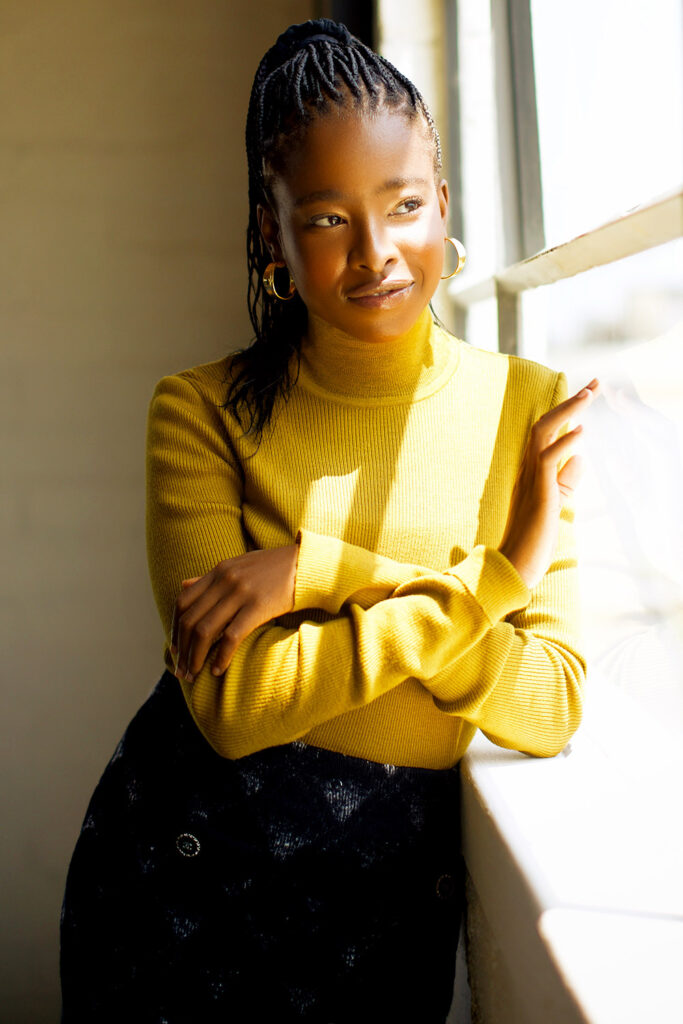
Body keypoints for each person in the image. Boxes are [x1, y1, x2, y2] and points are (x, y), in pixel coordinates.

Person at [60, 17, 598, 1024]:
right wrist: (487, 582)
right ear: (271, 232)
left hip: (382, 905)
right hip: (182, 876)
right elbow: (232, 708)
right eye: (325, 219)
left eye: (401, 205)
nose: (376, 252)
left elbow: (549, 703)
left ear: (441, 200)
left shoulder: (527, 408)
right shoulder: (199, 411)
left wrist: (322, 570)